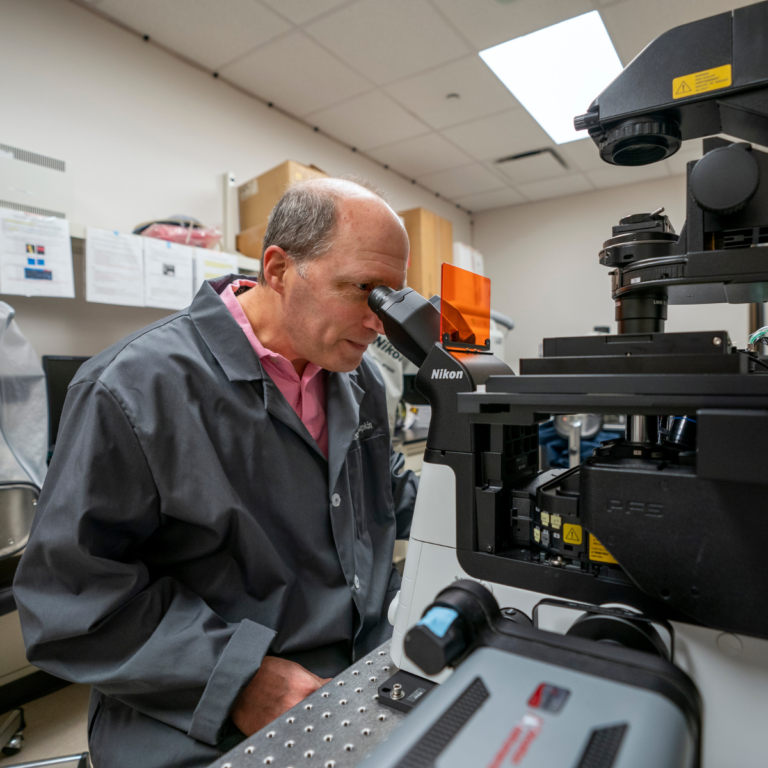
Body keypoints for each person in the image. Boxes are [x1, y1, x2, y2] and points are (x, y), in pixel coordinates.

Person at [13, 178, 419, 768]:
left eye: (392, 299)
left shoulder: (360, 380)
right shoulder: (134, 388)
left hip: (355, 673)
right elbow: (66, 597)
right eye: (362, 290)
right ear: (278, 270)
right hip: (200, 700)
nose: (380, 322)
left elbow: (387, 486)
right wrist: (240, 679)